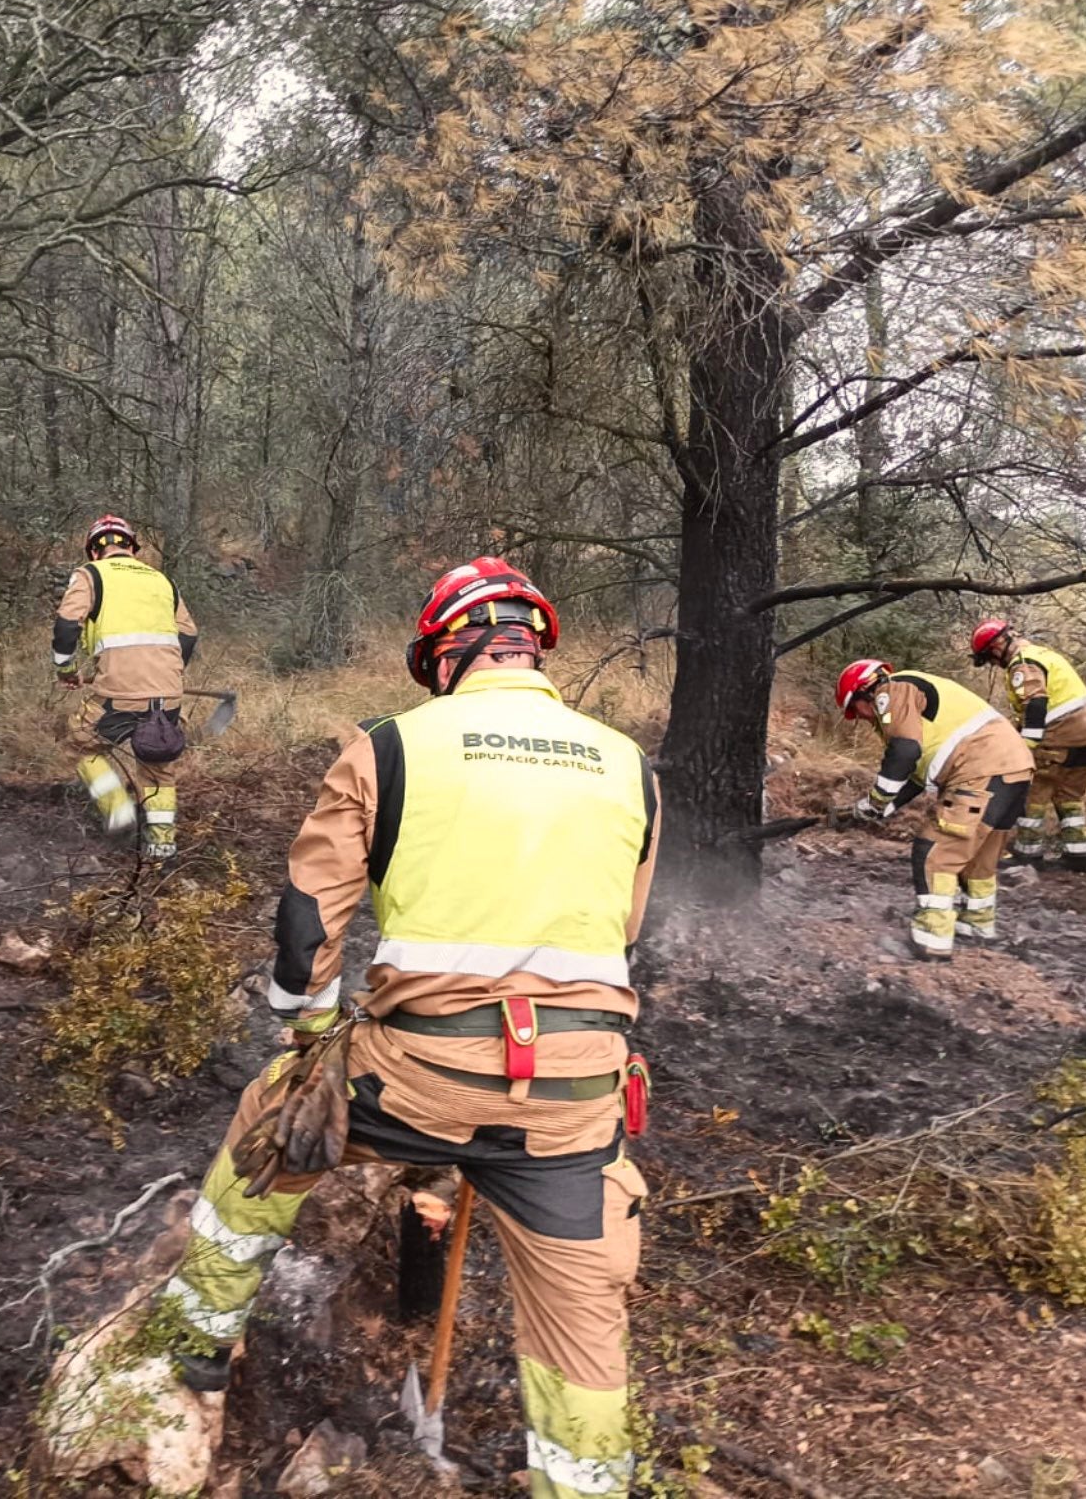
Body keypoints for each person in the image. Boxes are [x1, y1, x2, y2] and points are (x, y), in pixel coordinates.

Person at [159, 557, 657, 1499]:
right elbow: (620, 930)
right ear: (531, 647)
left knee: (274, 1116)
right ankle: (586, 1483)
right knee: (583, 1331)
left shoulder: (391, 746)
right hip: (576, 1094)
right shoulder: (629, 764)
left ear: (446, 652)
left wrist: (308, 1034)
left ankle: (198, 1341)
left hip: (420, 1072)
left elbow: (308, 920)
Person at [837, 659, 1034, 959]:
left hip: (979, 768)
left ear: (865, 691)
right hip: (1013, 769)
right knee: (978, 858)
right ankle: (977, 925)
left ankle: (932, 938)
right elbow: (915, 776)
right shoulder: (915, 703)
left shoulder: (893, 690)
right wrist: (879, 811)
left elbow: (904, 753)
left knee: (934, 852)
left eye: (856, 710)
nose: (862, 718)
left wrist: (875, 801)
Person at [51, 515, 198, 861]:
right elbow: (188, 634)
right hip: (168, 693)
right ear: (132, 547)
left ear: (94, 550)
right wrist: (167, 675)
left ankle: (118, 810)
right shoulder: (162, 580)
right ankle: (161, 844)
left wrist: (66, 670)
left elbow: (67, 625)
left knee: (80, 744)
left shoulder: (90, 574)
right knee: (157, 764)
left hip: (119, 694)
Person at [969, 619, 1086, 871]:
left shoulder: (1022, 663)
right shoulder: (1043, 654)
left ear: (997, 647)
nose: (993, 664)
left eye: (989, 658)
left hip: (1059, 736)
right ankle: (1079, 856)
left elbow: (1036, 703)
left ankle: (1027, 853)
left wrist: (1025, 747)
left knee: (1031, 792)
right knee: (1069, 795)